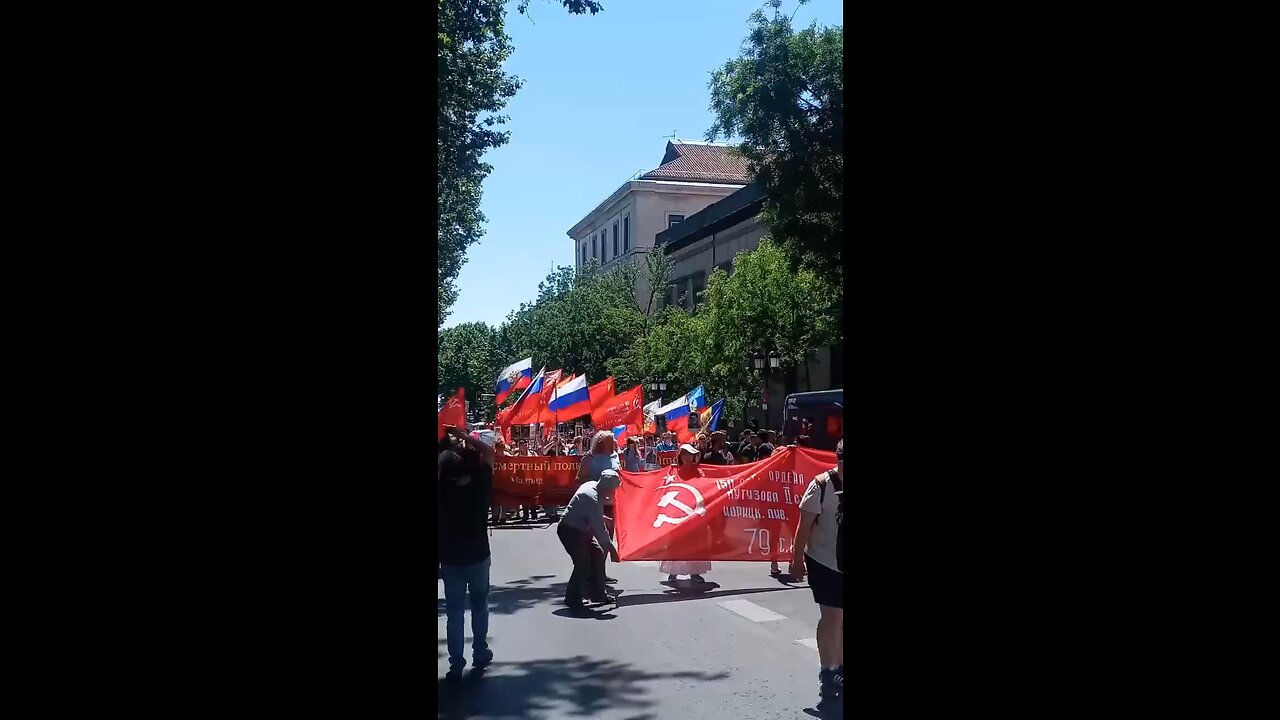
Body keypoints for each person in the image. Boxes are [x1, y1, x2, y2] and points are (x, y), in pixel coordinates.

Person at [789, 439, 844, 712]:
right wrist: (796, 558)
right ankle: (828, 673)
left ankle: (839, 669)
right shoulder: (821, 486)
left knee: (841, 621)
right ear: (838, 460)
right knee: (833, 616)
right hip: (824, 561)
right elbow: (804, 526)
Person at [438, 427, 495, 680]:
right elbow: (489, 451)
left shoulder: (442, 489)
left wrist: (447, 444)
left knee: (454, 613)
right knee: (480, 605)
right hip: (478, 555)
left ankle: (456, 661)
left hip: (450, 557)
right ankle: (480, 651)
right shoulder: (481, 483)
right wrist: (463, 435)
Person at [557, 469, 622, 607]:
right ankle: (572, 598)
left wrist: (603, 518)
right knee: (583, 562)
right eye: (612, 490)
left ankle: (598, 594)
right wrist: (612, 549)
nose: (612, 493)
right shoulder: (592, 497)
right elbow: (599, 529)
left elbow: (585, 511)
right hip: (569, 530)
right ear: (607, 488)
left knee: (597, 554)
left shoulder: (592, 485)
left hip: (581, 529)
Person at [659, 444, 713, 584]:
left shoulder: (699, 471)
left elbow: (703, 487)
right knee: (676, 542)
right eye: (685, 454)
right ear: (680, 456)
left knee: (695, 542)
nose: (687, 457)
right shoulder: (673, 471)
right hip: (678, 512)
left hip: (694, 510)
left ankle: (694, 572)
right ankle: (673, 572)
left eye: (690, 454)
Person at [577, 430, 621, 582]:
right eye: (609, 440)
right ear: (600, 442)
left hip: (611, 502)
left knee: (607, 537)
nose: (613, 443)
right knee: (594, 538)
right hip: (594, 502)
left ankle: (600, 571)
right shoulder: (589, 459)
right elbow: (580, 479)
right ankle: (591, 573)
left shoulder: (615, 456)